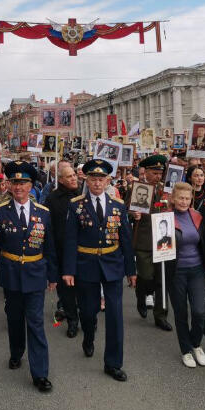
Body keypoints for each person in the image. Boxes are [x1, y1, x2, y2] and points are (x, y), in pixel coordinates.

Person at [62, 159, 136, 382]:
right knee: (88, 311)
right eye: (93, 179)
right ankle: (89, 336)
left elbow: (126, 239)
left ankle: (113, 363)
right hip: (86, 265)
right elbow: (70, 240)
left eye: (101, 179)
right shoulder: (76, 205)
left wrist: (131, 271)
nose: (97, 183)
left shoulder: (118, 205)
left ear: (107, 181)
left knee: (115, 315)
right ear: (87, 180)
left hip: (112, 265)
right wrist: (68, 270)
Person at [0, 161, 57, 392]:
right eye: (15, 182)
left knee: (35, 323)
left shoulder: (43, 213)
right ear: (9, 185)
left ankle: (40, 374)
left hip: (36, 273)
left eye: (23, 183)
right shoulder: (0, 211)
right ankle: (16, 352)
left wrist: (53, 275)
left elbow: (50, 247)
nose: (19, 187)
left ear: (31, 185)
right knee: (15, 319)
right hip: (11, 274)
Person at [167, 183, 205, 367]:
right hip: (176, 271)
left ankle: (196, 344)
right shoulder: (165, 218)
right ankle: (185, 350)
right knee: (180, 313)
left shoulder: (197, 217)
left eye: (187, 198)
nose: (184, 201)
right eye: (180, 198)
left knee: (199, 311)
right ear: (173, 198)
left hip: (196, 270)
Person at [128, 155, 172, 329]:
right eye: (154, 173)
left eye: (160, 173)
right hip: (144, 240)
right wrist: (133, 214)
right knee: (146, 276)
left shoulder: (165, 190)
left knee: (161, 279)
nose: (158, 176)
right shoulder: (138, 188)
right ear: (145, 172)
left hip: (163, 239)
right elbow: (127, 208)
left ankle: (161, 316)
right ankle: (141, 294)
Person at [44, 163, 81, 338]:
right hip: (60, 250)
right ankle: (72, 320)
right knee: (66, 290)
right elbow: (48, 226)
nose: (73, 178)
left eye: (74, 175)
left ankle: (88, 319)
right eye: (69, 176)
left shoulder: (83, 195)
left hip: (82, 251)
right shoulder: (52, 199)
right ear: (61, 180)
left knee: (83, 287)